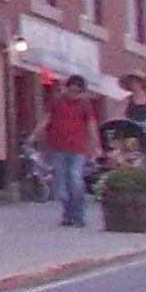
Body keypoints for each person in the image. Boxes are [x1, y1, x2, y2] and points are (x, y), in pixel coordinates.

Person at [42, 76, 98, 227]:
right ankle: (68, 214)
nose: (74, 94)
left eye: (78, 91)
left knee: (75, 178)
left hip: (78, 148)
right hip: (58, 147)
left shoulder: (85, 104)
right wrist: (35, 134)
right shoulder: (56, 101)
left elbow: (91, 125)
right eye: (71, 90)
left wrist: (95, 145)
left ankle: (79, 215)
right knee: (62, 183)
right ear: (66, 88)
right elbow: (46, 119)